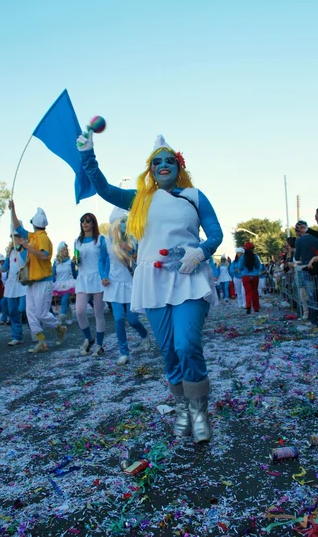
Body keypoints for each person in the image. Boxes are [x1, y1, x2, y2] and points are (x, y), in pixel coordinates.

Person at [77, 132, 223, 443]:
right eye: (157, 162)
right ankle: (183, 407)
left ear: (178, 165)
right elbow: (102, 188)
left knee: (186, 345)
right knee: (169, 350)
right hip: (152, 282)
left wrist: (202, 250)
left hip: (188, 278)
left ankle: (199, 411)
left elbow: (215, 233)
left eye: (169, 160)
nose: (163, 165)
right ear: (151, 169)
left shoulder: (194, 196)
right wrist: (88, 154)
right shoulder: (139, 199)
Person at [8, 202, 67, 353]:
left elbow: (44, 256)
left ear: (34, 223)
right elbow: (17, 226)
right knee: (31, 313)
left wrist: (27, 246)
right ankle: (41, 342)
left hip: (43, 281)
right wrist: (13, 209)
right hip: (32, 282)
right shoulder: (33, 236)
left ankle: (59, 328)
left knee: (41, 314)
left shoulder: (43, 239)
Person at [103, 208, 149, 364]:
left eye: (125, 221)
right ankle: (124, 352)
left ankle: (144, 336)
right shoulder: (106, 241)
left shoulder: (133, 239)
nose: (124, 224)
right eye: (122, 222)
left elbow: (140, 258)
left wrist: (131, 250)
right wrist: (103, 276)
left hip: (131, 283)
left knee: (133, 320)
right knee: (119, 319)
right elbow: (102, 261)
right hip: (114, 285)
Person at [74, 213, 107, 356]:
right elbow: (76, 260)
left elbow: (106, 259)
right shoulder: (77, 241)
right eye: (82, 221)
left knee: (98, 313)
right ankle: (89, 338)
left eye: (88, 221)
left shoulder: (100, 240)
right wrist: (75, 261)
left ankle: (99, 345)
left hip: (97, 278)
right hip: (82, 278)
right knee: (79, 311)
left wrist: (105, 276)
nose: (84, 223)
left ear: (93, 223)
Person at [1, 227, 28, 345]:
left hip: (23, 282)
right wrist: (0, 268)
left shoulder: (26, 250)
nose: (15, 239)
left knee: (25, 308)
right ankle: (17, 336)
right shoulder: (9, 252)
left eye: (17, 237)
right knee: (12, 311)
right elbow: (6, 266)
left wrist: (22, 249)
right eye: (13, 237)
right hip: (11, 284)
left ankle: (36, 331)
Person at [52, 242, 77, 326]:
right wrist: (52, 283)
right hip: (59, 284)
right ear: (59, 251)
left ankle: (61, 318)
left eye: (66, 249)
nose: (65, 251)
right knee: (65, 302)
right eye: (63, 249)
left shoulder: (70, 262)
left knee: (64, 300)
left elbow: (74, 273)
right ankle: (69, 317)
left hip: (69, 283)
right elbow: (53, 274)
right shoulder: (56, 262)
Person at [239, 242, 261, 313]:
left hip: (246, 276)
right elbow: (258, 266)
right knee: (255, 292)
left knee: (248, 292)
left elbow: (240, 267)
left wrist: (243, 272)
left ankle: (248, 307)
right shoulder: (255, 256)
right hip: (255, 276)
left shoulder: (243, 257)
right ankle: (256, 308)